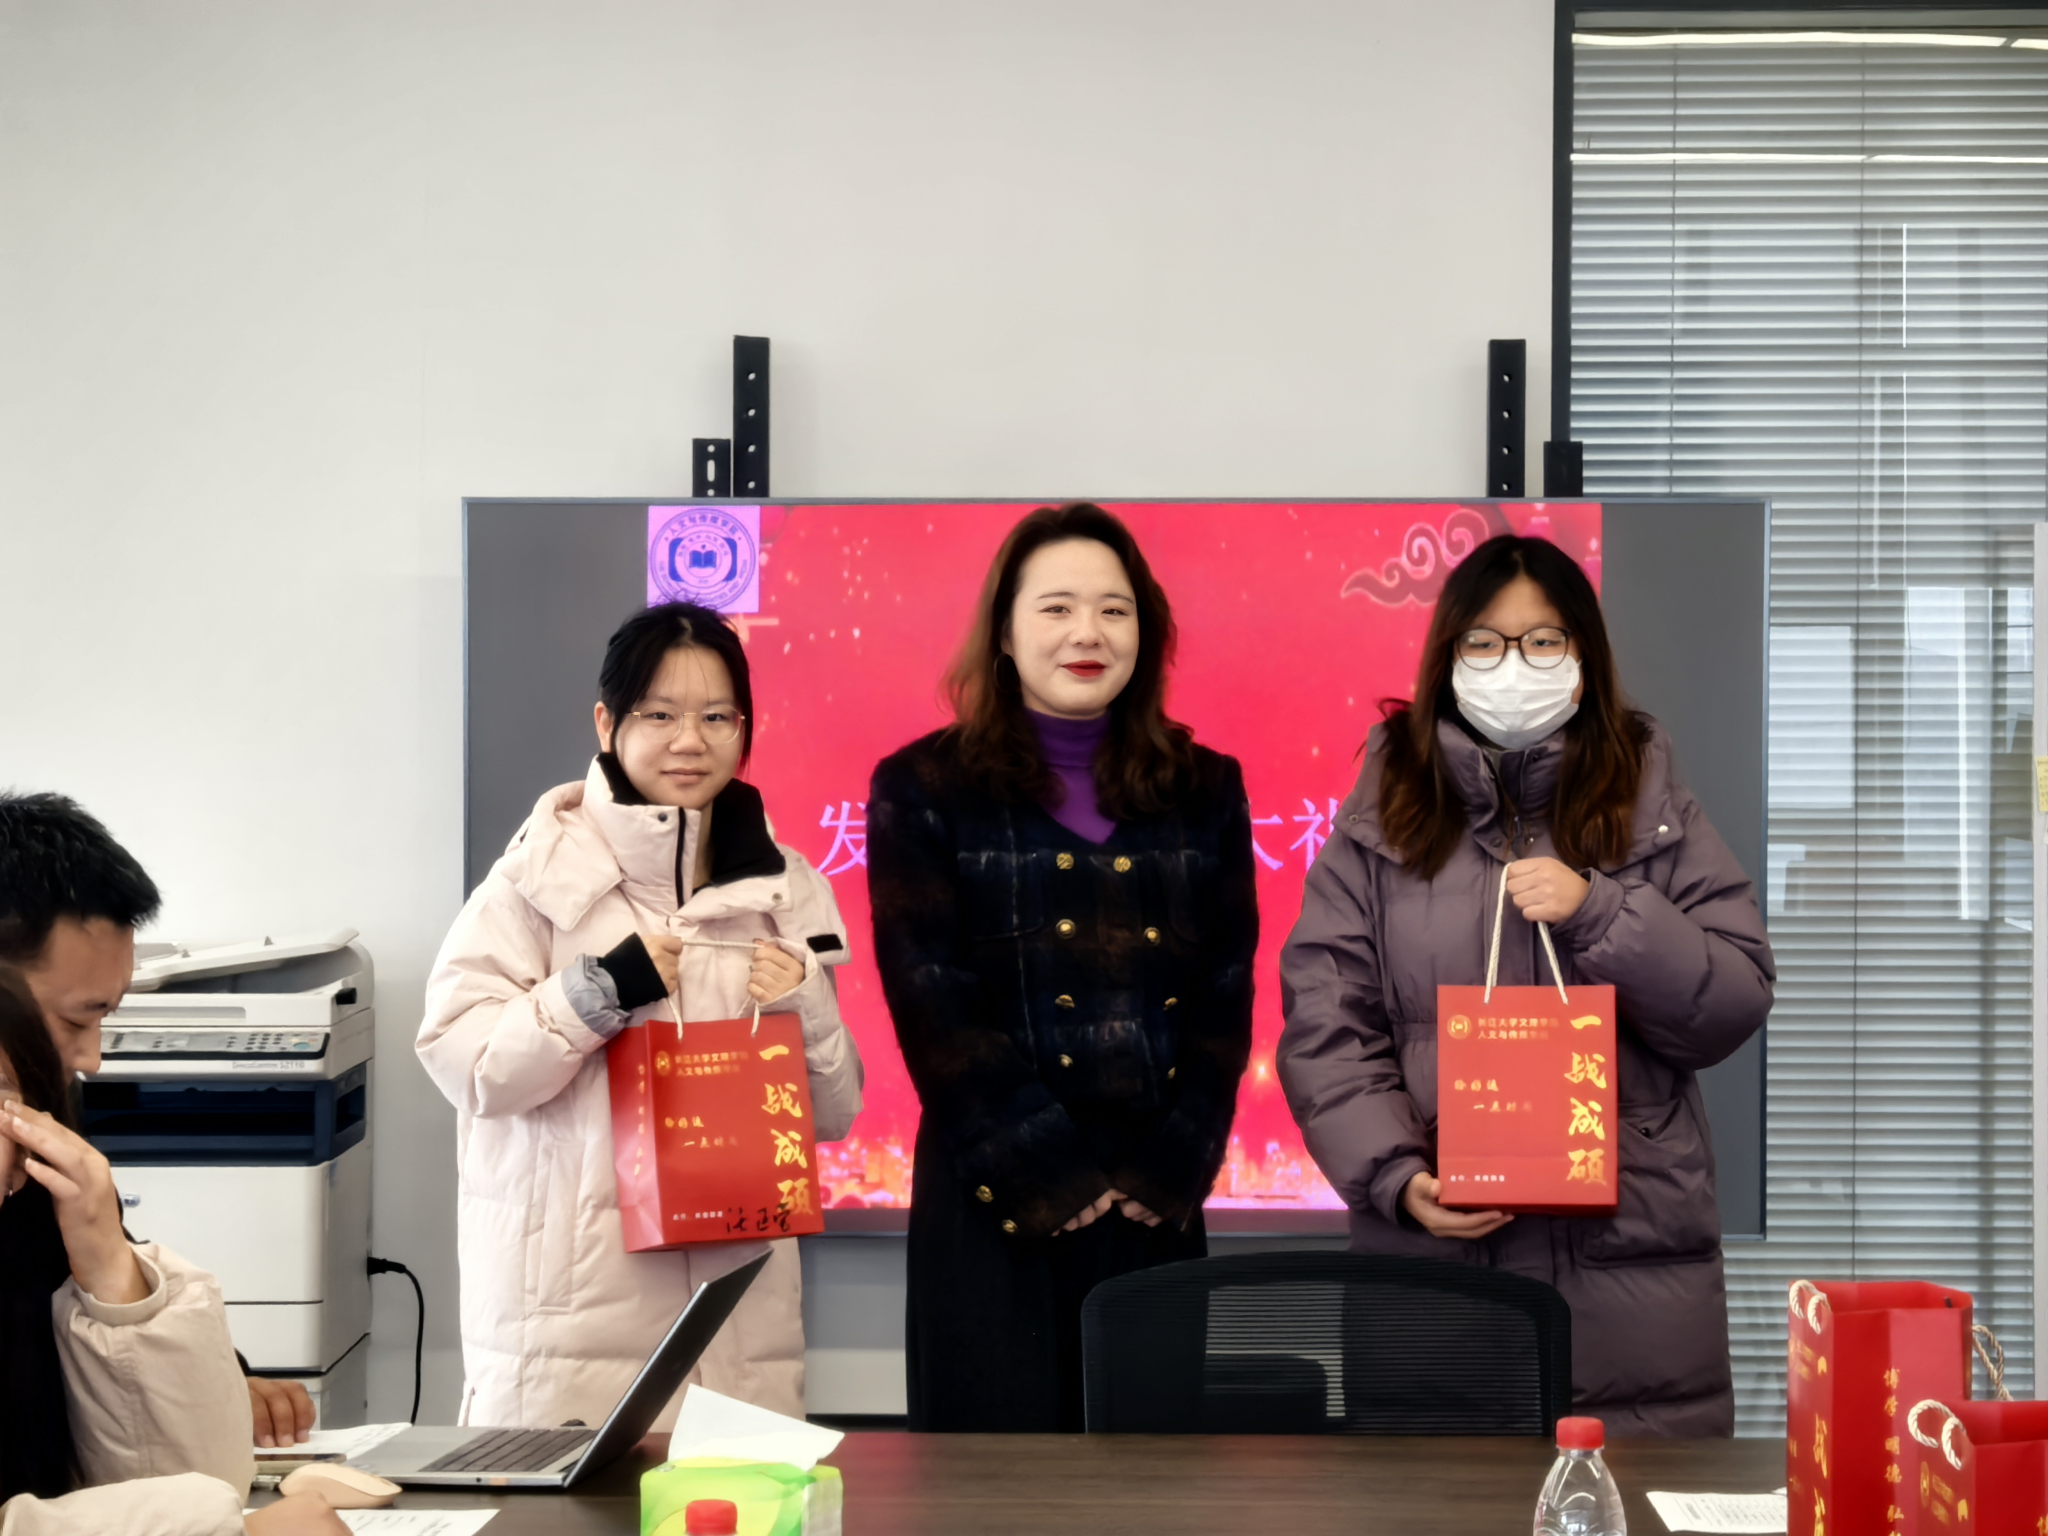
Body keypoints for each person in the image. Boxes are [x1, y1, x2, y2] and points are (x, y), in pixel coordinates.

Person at [1276, 533, 1773, 1436]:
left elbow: (1733, 997)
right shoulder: (1386, 810)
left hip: (1631, 1268)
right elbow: (1325, 1022)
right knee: (1439, 1498)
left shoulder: (1648, 798)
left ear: (1584, 656)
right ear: (1448, 657)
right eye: (1485, 643)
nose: (1514, 666)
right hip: (1437, 1266)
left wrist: (1601, 912)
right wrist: (1397, 1176)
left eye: (1543, 642)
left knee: (1626, 1495)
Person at [418, 601, 863, 1427]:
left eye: (716, 717)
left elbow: (832, 1117)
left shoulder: (788, 889)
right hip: (570, 1323)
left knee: (735, 1497)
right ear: (607, 723)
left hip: (737, 1322)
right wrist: (594, 995)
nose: (689, 739)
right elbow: (469, 1069)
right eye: (659, 714)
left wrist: (804, 1004)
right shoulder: (533, 880)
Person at [867, 502, 1257, 1432]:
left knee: (1153, 1483)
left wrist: (1172, 1168)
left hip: (1154, 1201)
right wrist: (1047, 1173)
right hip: (991, 1200)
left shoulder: (1205, 787)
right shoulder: (922, 788)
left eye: (1115, 610)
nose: (1088, 633)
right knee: (991, 1486)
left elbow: (1225, 990)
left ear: (1144, 634)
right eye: (1057, 608)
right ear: (1004, 633)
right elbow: (932, 997)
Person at [0, 792, 320, 1451]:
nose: (91, 1059)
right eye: (77, 1019)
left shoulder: (49, 1129)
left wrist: (217, 1380)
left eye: (106, 1016)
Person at [0, 966, 347, 1536]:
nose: (92, 1059)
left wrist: (109, 1266)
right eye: (75, 1017)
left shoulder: (41, 1241)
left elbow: (205, 1483)